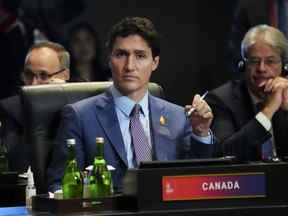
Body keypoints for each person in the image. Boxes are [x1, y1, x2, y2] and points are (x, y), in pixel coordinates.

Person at [47, 17, 215, 193]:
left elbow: (197, 182)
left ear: (155, 63)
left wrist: (201, 133)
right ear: (109, 59)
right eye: (121, 54)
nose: (129, 66)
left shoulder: (179, 117)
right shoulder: (79, 117)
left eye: (140, 56)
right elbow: (59, 186)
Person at [207, 25, 288, 162]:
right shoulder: (221, 100)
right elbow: (225, 154)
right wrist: (268, 110)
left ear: (284, 66)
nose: (262, 68)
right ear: (243, 65)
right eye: (255, 61)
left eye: (270, 61)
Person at [0, 41, 70, 172]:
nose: (33, 83)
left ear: (64, 75)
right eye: (28, 74)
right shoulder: (11, 109)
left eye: (43, 75)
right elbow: (16, 164)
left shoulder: (81, 106)